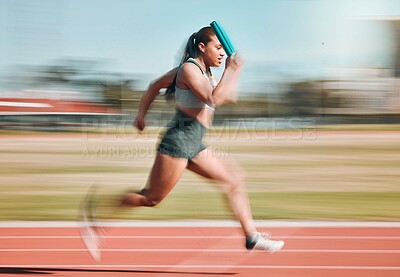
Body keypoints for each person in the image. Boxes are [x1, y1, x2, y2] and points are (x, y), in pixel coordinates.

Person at [82, 25, 284, 261]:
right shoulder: (189, 69)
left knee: (235, 179)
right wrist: (230, 71)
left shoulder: (206, 73)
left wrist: (234, 73)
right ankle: (95, 216)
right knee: (151, 198)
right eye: (217, 48)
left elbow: (230, 96)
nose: (221, 53)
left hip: (195, 143)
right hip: (178, 142)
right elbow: (213, 99)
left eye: (222, 49)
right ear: (201, 47)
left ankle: (251, 237)